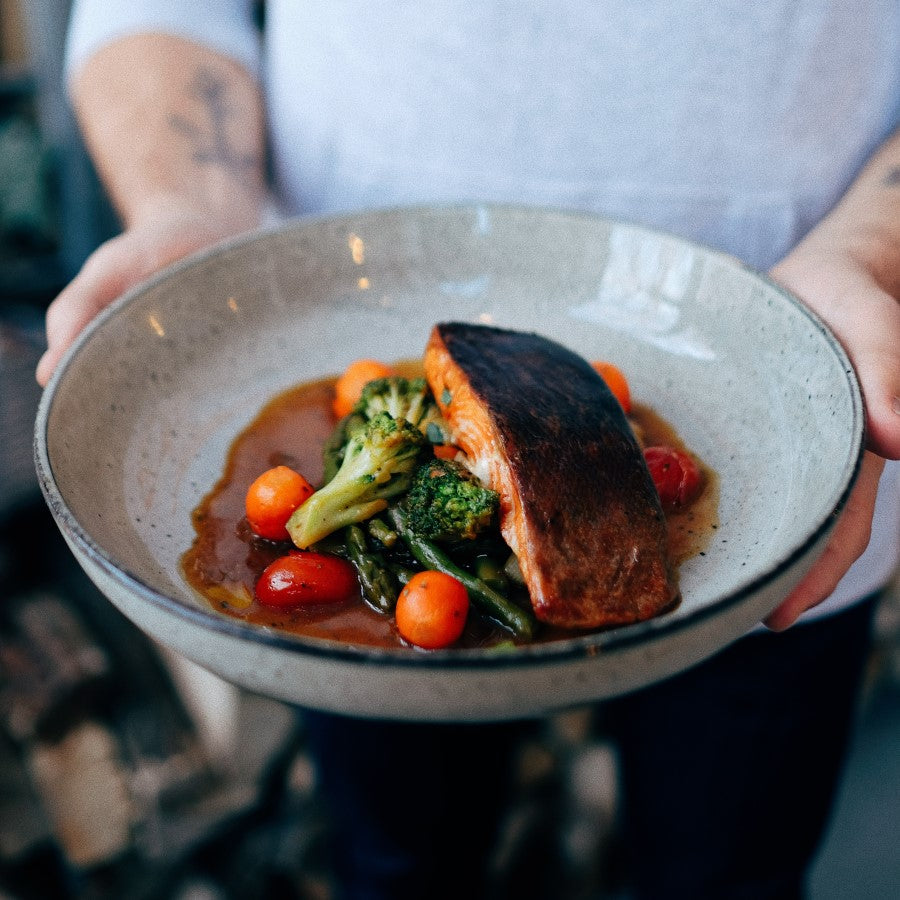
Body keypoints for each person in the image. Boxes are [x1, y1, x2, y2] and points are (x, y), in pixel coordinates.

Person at [39, 4, 900, 898]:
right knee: (400, 871)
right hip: (327, 289)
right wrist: (190, 212)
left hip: (783, 403)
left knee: (729, 878)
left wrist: (870, 257)